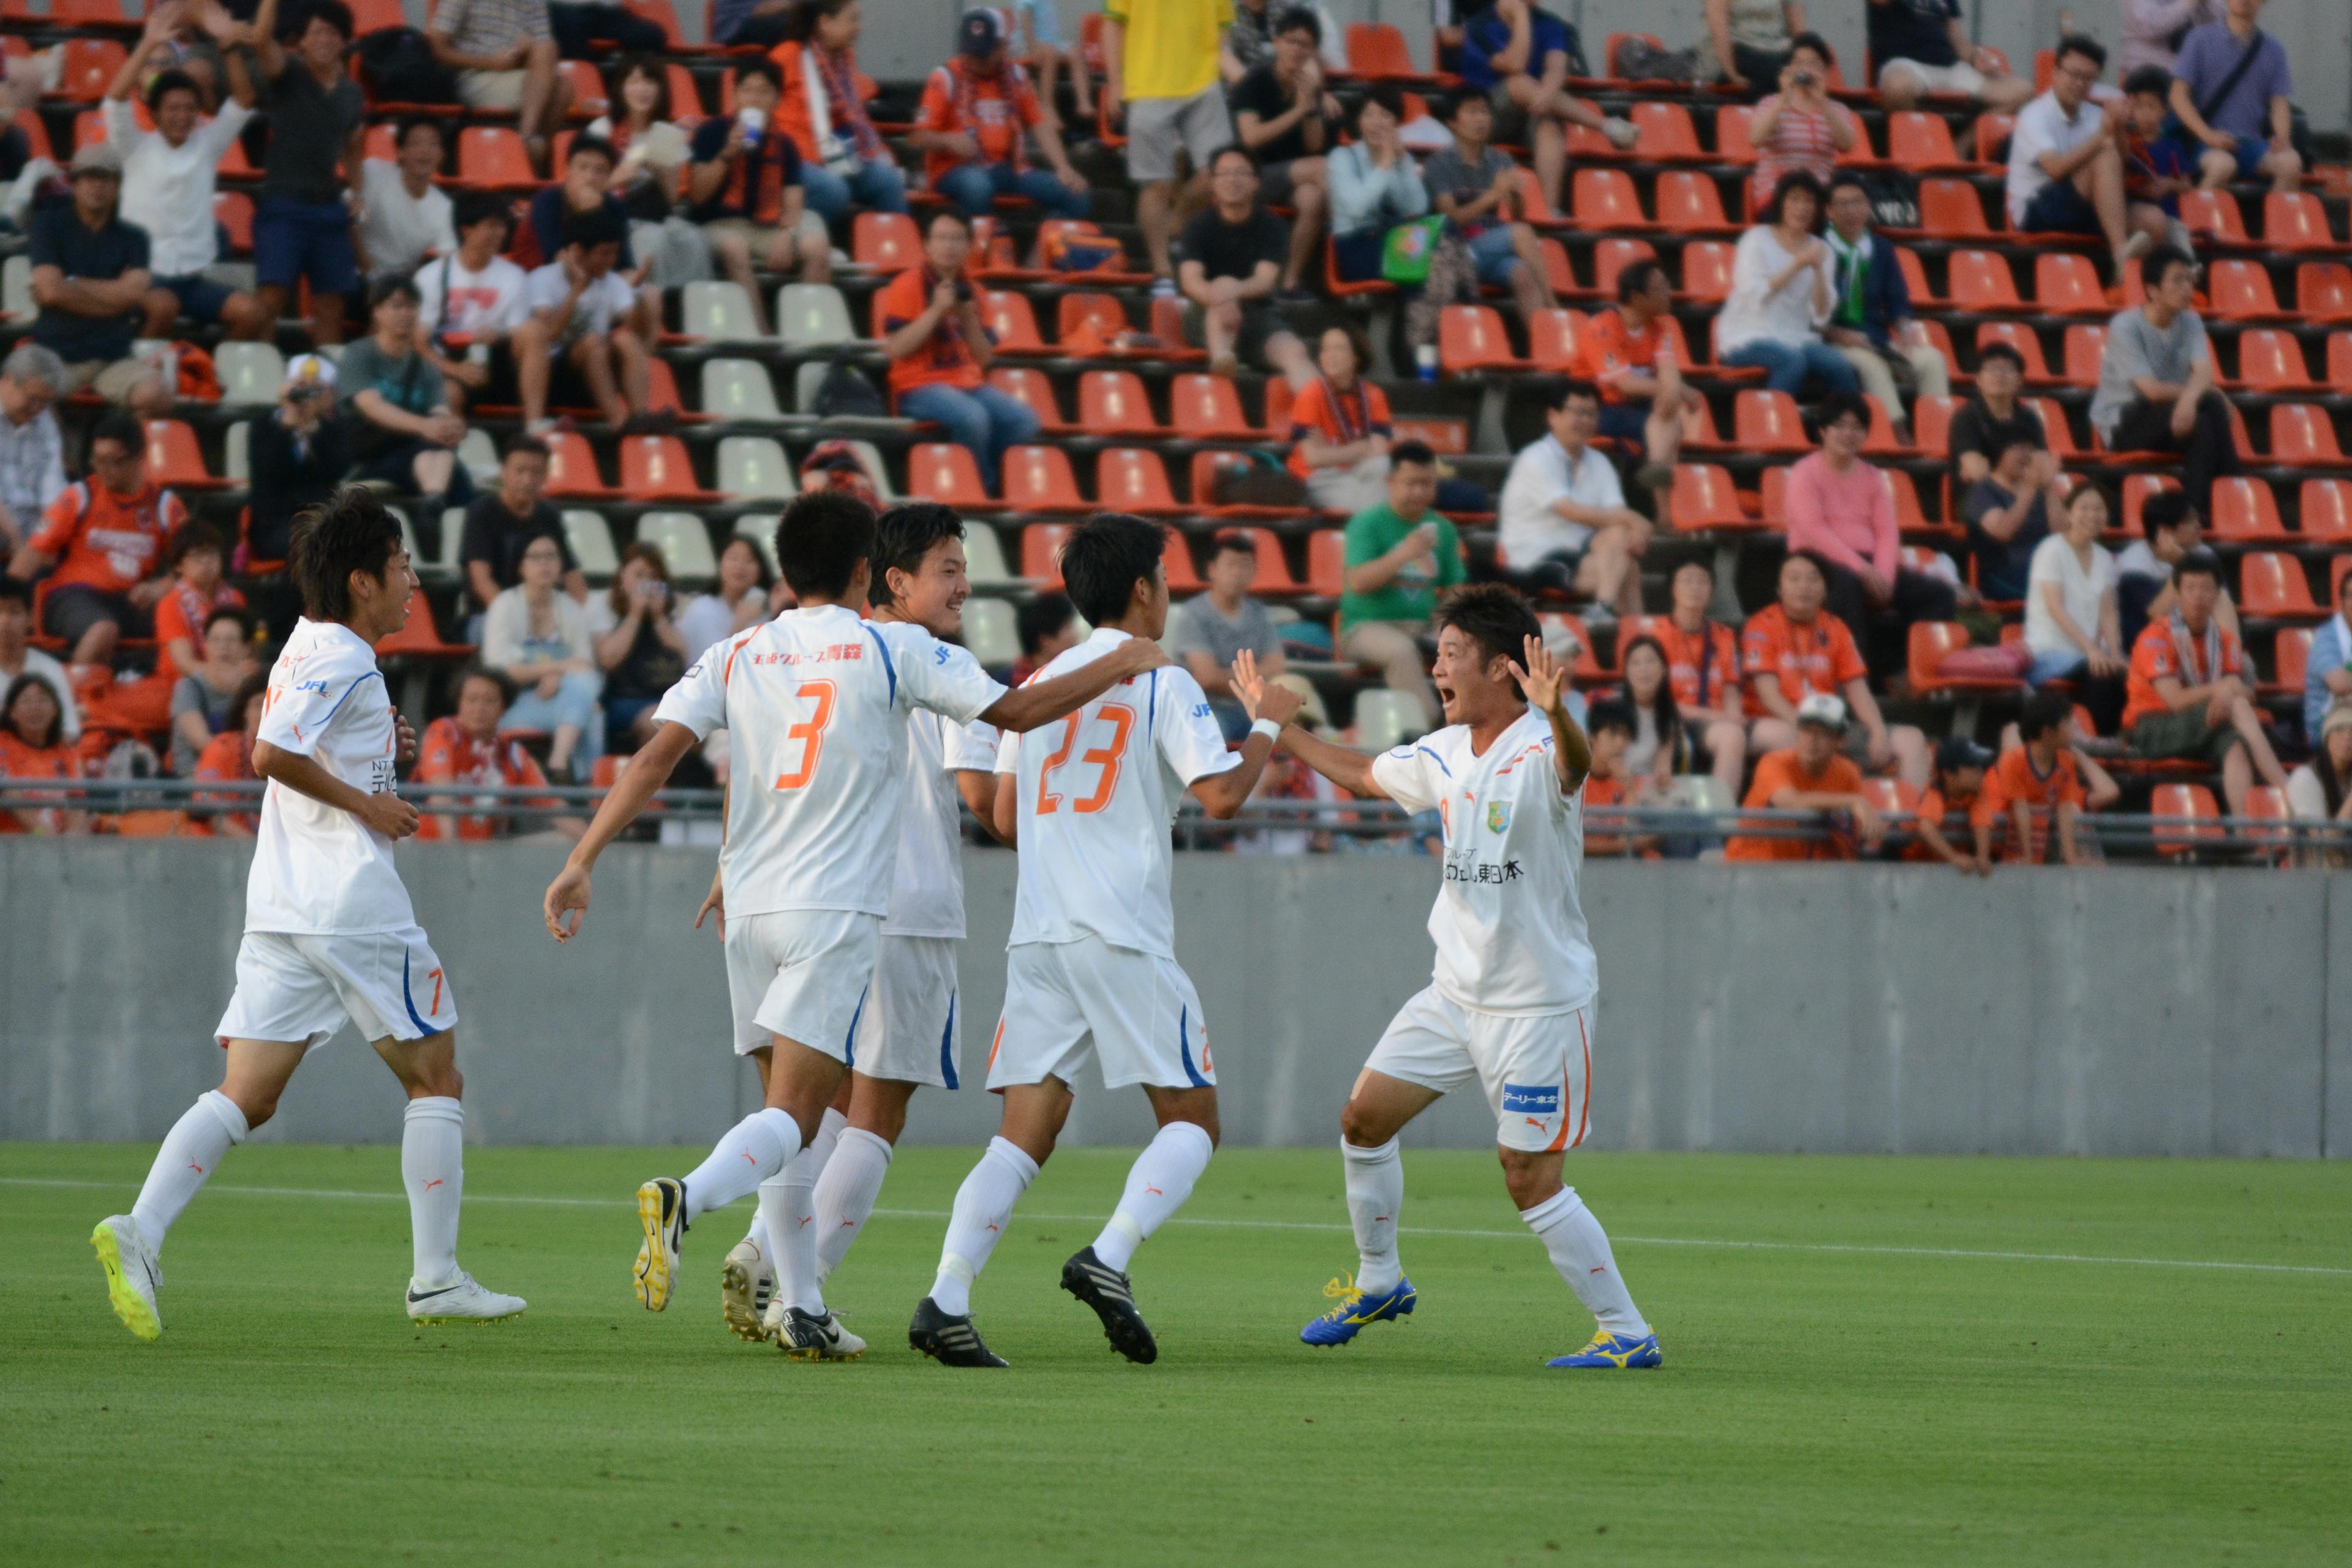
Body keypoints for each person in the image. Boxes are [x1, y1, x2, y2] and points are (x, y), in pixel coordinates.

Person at [539, 492, 1170, 1358]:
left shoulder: (740, 648)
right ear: (873, 572)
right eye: (950, 569)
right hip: (843, 908)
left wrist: (584, 858)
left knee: (796, 1115)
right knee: (817, 1119)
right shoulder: (897, 648)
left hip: (750, 906)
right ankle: (691, 1195)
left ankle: (802, 1303)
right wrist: (1124, 658)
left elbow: (658, 754)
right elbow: (1016, 719)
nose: (963, 585)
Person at [92, 489, 527, 1343]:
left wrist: (383, 750)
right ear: (363, 580)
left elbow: (308, 742)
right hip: (350, 902)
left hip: (283, 905)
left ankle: (140, 1230)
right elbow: (270, 752)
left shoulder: (306, 645)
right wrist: (369, 804)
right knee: (437, 1079)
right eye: (401, 566)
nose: (413, 582)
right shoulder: (344, 658)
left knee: (248, 1095)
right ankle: (437, 1279)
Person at [913, 511, 1292, 1368]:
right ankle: (1109, 1256)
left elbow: (1006, 818)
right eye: (1166, 577)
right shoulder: (1160, 676)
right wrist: (1267, 723)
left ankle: (947, 1297)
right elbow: (1223, 798)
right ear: (1144, 588)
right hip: (1120, 928)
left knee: (1021, 1135)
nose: (1169, 593)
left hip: (1041, 934)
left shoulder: (1041, 684)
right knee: (1193, 1120)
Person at [1265, 584, 1660, 1366]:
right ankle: (1381, 1280)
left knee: (1528, 1176)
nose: (1437, 668)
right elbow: (1363, 775)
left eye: (1451, 655)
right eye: (1438, 654)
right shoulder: (1445, 750)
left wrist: (1559, 712)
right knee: (1363, 1121)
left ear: (1503, 667)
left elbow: (1576, 766)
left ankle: (1626, 1332)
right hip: (1453, 994)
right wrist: (1281, 729)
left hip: (1537, 1006)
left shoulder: (1541, 746)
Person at [718, 502, 1011, 1343]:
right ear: (894, 579)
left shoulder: (817, 652)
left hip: (815, 897)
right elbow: (983, 801)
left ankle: (765, 1248)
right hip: (910, 905)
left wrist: (728, 865)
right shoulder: (939, 662)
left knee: (821, 1100)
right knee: (878, 1114)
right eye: (949, 569)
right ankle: (794, 1290)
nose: (964, 586)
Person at [107, 12, 268, 342]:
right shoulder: (135, 147)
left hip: (193, 278)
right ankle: (145, 366)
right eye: (172, 109)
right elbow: (115, 99)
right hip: (144, 277)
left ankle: (207, 368)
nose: (182, 116)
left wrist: (228, 46)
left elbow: (244, 100)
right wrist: (149, 43)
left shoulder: (208, 145)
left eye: (189, 109)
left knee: (251, 313)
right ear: (155, 113)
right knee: (163, 308)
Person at [1786, 394, 1956, 671]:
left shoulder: (1873, 476)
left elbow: (1887, 532)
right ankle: (1853, 677)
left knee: (1938, 594)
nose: (1849, 434)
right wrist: (1863, 570)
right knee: (1846, 586)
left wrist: (1884, 574)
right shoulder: (1804, 473)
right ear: (1823, 431)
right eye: (1840, 426)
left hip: (1868, 562)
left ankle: (1911, 672)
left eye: (1857, 428)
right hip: (1817, 559)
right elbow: (1814, 530)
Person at [876, 210, 1038, 496]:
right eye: (942, 239)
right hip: (917, 386)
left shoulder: (975, 291)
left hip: (968, 383)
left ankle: (996, 482)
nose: (949, 246)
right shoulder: (906, 284)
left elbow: (985, 359)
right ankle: (981, 490)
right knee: (973, 418)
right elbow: (897, 349)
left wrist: (968, 320)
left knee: (1023, 420)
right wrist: (937, 310)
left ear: (969, 246)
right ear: (927, 245)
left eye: (957, 239)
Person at [12, 411, 188, 667]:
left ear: (140, 457)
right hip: (73, 596)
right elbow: (32, 554)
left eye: (113, 462)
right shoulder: (79, 497)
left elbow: (192, 567)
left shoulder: (165, 507)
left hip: (132, 600)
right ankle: (75, 689)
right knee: (103, 630)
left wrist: (160, 588)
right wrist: (7, 603)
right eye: (97, 460)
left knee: (191, 618)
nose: (103, 470)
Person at [2121, 548, 2287, 815]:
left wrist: (2228, 692)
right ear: (2177, 594)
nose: (2198, 596)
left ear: (2217, 594)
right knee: (2238, 707)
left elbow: (2241, 691)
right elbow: (2175, 701)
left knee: (2236, 745)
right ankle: (2288, 791)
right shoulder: (2155, 637)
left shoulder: (2224, 639)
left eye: (2206, 589)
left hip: (2204, 722)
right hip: (2151, 726)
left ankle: (2245, 830)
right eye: (2190, 588)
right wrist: (2221, 690)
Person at [1743, 552, 1929, 786]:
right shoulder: (1761, 625)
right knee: (1793, 738)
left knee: (1912, 740)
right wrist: (1809, 731)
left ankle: (1911, 810)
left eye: (1813, 579)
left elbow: (1859, 692)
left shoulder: (1836, 627)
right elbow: (1769, 697)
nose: (1804, 586)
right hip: (1778, 722)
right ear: (1779, 589)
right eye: (1794, 579)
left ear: (1825, 590)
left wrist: (1878, 731)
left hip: (1828, 726)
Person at [249, 0, 366, 347]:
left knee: (332, 303)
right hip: (283, 203)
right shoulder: (288, 73)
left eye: (331, 33)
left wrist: (358, 193)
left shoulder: (352, 93)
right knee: (271, 297)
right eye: (315, 33)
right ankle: (259, 372)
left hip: (329, 208)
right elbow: (260, 40)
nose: (323, 40)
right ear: (301, 41)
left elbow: (353, 146)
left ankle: (328, 376)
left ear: (344, 41)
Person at [25, 145, 170, 417]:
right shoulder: (47, 226)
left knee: (156, 394)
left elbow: (134, 296)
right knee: (24, 393)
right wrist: (116, 297)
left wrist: (70, 284)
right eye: (89, 177)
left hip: (112, 358)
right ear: (74, 183)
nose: (98, 185)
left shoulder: (135, 238)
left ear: (118, 186)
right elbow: (52, 291)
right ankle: (58, 446)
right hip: (55, 356)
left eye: (107, 178)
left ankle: (121, 444)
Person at [689, 61, 831, 336]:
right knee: (735, 247)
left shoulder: (785, 143)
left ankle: (806, 332)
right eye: (747, 90)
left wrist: (787, 233)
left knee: (815, 245)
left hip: (766, 225)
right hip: (719, 224)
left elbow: (793, 196)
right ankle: (760, 331)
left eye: (764, 91)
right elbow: (698, 195)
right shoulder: (711, 132)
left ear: (777, 99)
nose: (754, 99)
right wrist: (728, 153)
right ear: (735, 96)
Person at [2089, 246, 2237, 507]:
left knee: (2204, 425)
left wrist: (2192, 398)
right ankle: (2231, 491)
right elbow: (2152, 391)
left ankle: (2196, 511)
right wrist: (2199, 394)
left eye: (2189, 279)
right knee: (2211, 405)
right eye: (2177, 280)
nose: (2187, 288)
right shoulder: (2126, 326)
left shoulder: (2190, 320)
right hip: (2124, 423)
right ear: (2152, 290)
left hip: (2172, 415)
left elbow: (2204, 371)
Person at [1459, 0, 1637, 218]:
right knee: (1519, 83)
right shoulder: (1479, 25)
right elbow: (1515, 64)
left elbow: (1556, 70)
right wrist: (1521, 15)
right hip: (1487, 115)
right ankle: (1606, 125)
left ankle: (1549, 212)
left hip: (1533, 109)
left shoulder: (1552, 24)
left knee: (1550, 126)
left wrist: (1546, 95)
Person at [2007, 35, 2165, 278]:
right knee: (2103, 154)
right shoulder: (2034, 115)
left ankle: (2122, 284)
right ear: (2056, 72)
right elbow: (2055, 169)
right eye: (2074, 75)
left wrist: (2119, 128)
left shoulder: (2094, 114)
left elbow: (2123, 164)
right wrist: (2103, 134)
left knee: (2154, 221)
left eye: (2089, 78)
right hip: (2037, 208)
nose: (2080, 84)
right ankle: (2120, 256)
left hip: (2083, 204)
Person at [1101, 0, 1235, 286]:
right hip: (1148, 85)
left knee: (1220, 173)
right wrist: (1114, 82)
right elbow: (1112, 23)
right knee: (1157, 185)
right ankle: (1162, 270)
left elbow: (1224, 24)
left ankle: (1176, 221)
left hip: (1204, 84)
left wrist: (1210, 65)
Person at [1498, 380, 1651, 627]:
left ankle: (1610, 615)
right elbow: (1568, 510)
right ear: (1553, 416)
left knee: (1623, 546)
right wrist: (1633, 520)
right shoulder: (1535, 458)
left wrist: (1632, 528)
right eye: (1578, 412)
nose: (1585, 421)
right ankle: (1631, 631)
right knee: (1627, 568)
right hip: (1536, 558)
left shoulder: (1599, 462)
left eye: (1591, 414)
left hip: (1580, 555)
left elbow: (1616, 514)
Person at [916, 8, 1090, 224]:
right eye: (970, 51)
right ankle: (982, 241)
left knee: (1076, 194)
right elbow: (919, 137)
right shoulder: (945, 77)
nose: (974, 60)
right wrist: (948, 140)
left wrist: (1063, 167)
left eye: (982, 54)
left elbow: (1039, 124)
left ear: (1002, 47)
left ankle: (1041, 245)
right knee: (978, 186)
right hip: (955, 170)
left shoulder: (1017, 76)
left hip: (1010, 168)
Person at [1339, 444, 1465, 734]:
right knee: (1401, 651)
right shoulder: (1367, 524)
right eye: (1411, 484)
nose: (1419, 492)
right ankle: (1434, 729)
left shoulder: (1443, 528)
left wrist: (1443, 621)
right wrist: (1405, 553)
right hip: (1365, 626)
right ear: (1390, 482)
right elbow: (1358, 582)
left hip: (1422, 625)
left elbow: (1455, 587)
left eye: (1427, 484)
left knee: (1469, 647)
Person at [514, 206, 665, 436]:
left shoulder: (613, 282)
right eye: (604, 253)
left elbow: (639, 336)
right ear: (577, 251)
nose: (611, 261)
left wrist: (639, 297)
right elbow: (549, 334)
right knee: (593, 343)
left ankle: (640, 416)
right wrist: (577, 289)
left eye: (614, 253)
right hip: (549, 377)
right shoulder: (542, 279)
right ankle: (619, 423)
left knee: (625, 340)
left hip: (593, 375)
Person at [1820, 174, 1949, 440]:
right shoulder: (1818, 248)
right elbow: (1807, 313)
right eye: (1842, 204)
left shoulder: (1881, 248)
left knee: (1932, 360)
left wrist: (1904, 333)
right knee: (1871, 366)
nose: (1851, 211)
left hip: (1876, 338)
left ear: (1869, 206)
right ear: (1829, 211)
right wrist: (1838, 334)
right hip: (1833, 340)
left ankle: (1938, 435)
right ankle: (1897, 432)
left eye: (1858, 203)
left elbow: (1897, 301)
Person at [337, 276, 473, 529]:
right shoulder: (358, 355)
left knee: (452, 466)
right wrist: (425, 426)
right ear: (377, 312)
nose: (405, 314)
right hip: (369, 454)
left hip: (418, 452)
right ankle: (433, 509)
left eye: (411, 306)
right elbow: (372, 407)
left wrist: (451, 427)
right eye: (397, 306)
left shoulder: (426, 367)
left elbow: (440, 413)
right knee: (439, 460)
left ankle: (433, 503)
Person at [767, 0, 910, 230]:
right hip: (794, 159)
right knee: (833, 189)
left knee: (888, 180)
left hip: (837, 156)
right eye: (852, 19)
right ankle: (805, 238)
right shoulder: (787, 56)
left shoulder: (844, 60)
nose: (859, 28)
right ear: (825, 23)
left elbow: (853, 109)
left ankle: (898, 246)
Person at [1176, 149, 1314, 384]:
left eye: (1241, 173)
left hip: (1257, 317)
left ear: (1256, 182)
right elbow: (1191, 281)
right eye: (1224, 174)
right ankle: (1222, 359)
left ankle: (1321, 407)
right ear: (1213, 182)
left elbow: (1264, 281)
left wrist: (1232, 290)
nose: (1232, 180)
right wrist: (1221, 296)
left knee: (1295, 353)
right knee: (1222, 285)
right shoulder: (1197, 227)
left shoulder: (1273, 226)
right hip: (1204, 315)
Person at [1423, 91, 1555, 326]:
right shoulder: (1438, 164)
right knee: (1521, 232)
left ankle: (1543, 342)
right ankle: (1553, 306)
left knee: (1522, 274)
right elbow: (1450, 220)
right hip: (1456, 250)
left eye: (1484, 112)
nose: (1481, 119)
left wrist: (1514, 195)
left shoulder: (1501, 159)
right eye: (1472, 112)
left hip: (1491, 248)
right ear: (1453, 123)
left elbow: (1517, 215)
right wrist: (1494, 194)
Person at [1719, 172, 1855, 399]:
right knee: (1791, 361)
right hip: (1749, 335)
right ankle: (1774, 420)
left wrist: (1818, 270)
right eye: (1794, 199)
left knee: (1839, 366)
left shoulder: (1822, 250)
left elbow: (1821, 316)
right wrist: (1797, 264)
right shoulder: (1756, 239)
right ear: (1780, 203)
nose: (1801, 208)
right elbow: (1753, 296)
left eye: (1809, 201)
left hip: (1797, 337)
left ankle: (1843, 419)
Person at [1229, 7, 1335, 295]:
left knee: (1312, 198)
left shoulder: (1308, 87)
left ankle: (1289, 281)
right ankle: (1346, 230)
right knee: (1323, 168)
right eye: (1291, 41)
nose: (1297, 50)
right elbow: (1250, 138)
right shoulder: (1255, 82)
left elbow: (1314, 144)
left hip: (1292, 176)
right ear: (1276, 42)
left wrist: (1310, 106)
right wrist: (1298, 111)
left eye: (1305, 45)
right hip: (1250, 173)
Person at [1577, 260, 1702, 497]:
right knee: (1670, 424)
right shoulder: (1601, 328)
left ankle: (1657, 469)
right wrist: (1681, 391)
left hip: (1634, 407)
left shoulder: (1659, 329)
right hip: (1596, 407)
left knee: (1669, 413)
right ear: (1636, 297)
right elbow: (1625, 385)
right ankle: (1661, 494)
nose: (1669, 292)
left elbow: (1669, 375)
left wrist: (1675, 390)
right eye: (1660, 288)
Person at [414, 666, 581, 842]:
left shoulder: (513, 754)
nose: (479, 708)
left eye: (489, 701)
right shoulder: (444, 732)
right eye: (472, 700)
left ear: (503, 708)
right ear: (459, 704)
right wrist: (452, 850)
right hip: (428, 847)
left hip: (486, 851)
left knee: (562, 841)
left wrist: (592, 845)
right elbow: (442, 792)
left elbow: (553, 806)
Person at [482, 533, 601, 777]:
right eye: (536, 557)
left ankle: (560, 762)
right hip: (513, 706)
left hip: (562, 700)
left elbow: (585, 666)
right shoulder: (505, 605)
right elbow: (499, 671)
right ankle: (586, 784)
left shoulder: (570, 608)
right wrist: (554, 670)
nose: (544, 564)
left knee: (589, 697)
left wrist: (558, 676)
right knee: (590, 709)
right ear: (521, 566)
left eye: (551, 557)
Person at [1724, 690, 1883, 859]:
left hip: (1806, 867)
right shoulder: (1774, 762)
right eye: (1806, 730)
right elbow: (1790, 802)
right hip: (1750, 866)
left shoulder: (1848, 772)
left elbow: (1857, 832)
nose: (1813, 740)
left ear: (1840, 740)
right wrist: (1852, 801)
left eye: (1823, 733)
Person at [413, 195, 530, 417]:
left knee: (533, 331)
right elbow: (418, 342)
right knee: (448, 393)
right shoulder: (431, 276)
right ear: (467, 230)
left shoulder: (515, 276)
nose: (500, 233)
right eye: (492, 226)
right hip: (451, 359)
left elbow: (521, 332)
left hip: (499, 360)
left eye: (503, 226)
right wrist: (456, 370)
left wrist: (499, 336)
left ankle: (534, 423)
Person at [2167, 0, 2300, 195]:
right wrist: (2208, 135)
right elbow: (2177, 95)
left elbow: (2279, 103)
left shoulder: (2274, 49)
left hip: (2252, 145)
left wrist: (2282, 138)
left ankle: (2275, 216)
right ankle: (2200, 213)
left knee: (2290, 162)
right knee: (2223, 166)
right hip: (2205, 144)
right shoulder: (2199, 39)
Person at [428, 0, 570, 178]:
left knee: (561, 80)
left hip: (515, 72)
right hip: (473, 75)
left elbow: (543, 51)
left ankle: (528, 142)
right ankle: (530, 149)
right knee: (557, 86)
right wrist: (491, 63)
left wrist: (523, 51)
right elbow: (437, 48)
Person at [2024, 483, 2125, 732]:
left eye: (2099, 509)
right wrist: (2091, 649)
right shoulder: (2051, 550)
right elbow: (2055, 608)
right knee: (2101, 674)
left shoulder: (2105, 558)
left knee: (2125, 671)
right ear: (2069, 514)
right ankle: (2100, 741)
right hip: (2049, 652)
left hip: (2088, 654)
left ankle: (2121, 741)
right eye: (2085, 508)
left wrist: (2115, 653)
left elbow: (2108, 613)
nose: (2092, 515)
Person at [1172, 529, 1287, 740]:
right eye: (1231, 565)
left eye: (1245, 566)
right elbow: (1207, 678)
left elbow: (1277, 667)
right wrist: (1257, 678)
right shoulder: (1194, 614)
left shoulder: (1259, 613)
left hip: (1253, 708)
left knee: (1290, 729)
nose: (1237, 573)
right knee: (1211, 734)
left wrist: (1226, 677)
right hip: (1207, 707)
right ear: (1212, 570)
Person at [1646, 560, 1746, 799]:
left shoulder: (1724, 635)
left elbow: (1731, 688)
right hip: (1672, 717)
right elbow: (1653, 698)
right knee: (1732, 736)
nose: (1695, 588)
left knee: (1784, 734)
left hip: (1715, 720)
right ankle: (1720, 813)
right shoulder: (1655, 634)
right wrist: (1721, 718)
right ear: (1673, 589)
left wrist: (1734, 716)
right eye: (1687, 581)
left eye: (1702, 582)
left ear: (1712, 590)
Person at [246, 353, 350, 577]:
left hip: (320, 521)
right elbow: (267, 471)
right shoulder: (264, 427)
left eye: (314, 390)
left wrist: (315, 433)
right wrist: (286, 427)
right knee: (312, 549)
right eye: (300, 387)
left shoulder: (333, 430)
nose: (304, 396)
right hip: (275, 524)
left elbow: (338, 469)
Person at [589, 56, 698, 268]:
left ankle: (688, 289)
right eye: (634, 82)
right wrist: (619, 178)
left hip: (655, 214)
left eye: (649, 82)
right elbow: (583, 190)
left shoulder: (670, 134)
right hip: (611, 213)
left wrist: (660, 172)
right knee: (653, 239)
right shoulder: (601, 130)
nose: (642, 90)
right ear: (621, 89)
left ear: (661, 90)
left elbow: (672, 200)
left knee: (692, 239)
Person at [587, 542, 688, 753]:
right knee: (662, 722)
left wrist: (659, 617)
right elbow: (608, 659)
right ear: (623, 576)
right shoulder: (604, 605)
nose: (646, 583)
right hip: (626, 698)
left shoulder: (670, 608)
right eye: (639, 575)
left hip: (666, 694)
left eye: (653, 577)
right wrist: (635, 614)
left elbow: (682, 655)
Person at [459, 435, 581, 609]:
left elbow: (570, 572)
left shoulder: (549, 514)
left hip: (542, 614)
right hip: (488, 614)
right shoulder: (482, 512)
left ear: (546, 475)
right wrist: (514, 617)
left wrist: (582, 614)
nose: (528, 480)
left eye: (536, 472)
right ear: (503, 472)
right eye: (520, 471)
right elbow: (481, 580)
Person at [1325, 86, 1427, 286]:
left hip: (1395, 240)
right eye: (1368, 115)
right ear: (1359, 121)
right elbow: (1356, 209)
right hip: (1357, 248)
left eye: (1385, 115)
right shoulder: (1342, 157)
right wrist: (1385, 164)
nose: (1376, 123)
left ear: (1397, 123)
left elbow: (1418, 208)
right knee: (1429, 259)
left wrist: (1402, 164)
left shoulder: (1401, 158)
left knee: (1445, 233)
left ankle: (1449, 305)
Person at [1978, 692, 2095, 866]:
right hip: (1998, 833)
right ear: (2048, 732)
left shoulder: (2066, 761)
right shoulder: (2014, 761)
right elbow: (2020, 808)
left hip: (2035, 831)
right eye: (2068, 723)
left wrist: (2071, 857)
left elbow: (2064, 808)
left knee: (2074, 812)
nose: (2074, 729)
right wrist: (2028, 856)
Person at [1745, 35, 1855, 217]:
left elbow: (1847, 145)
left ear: (1825, 70)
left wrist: (1822, 102)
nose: (1806, 69)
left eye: (1814, 63)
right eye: (1799, 63)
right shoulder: (1770, 103)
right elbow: (1755, 140)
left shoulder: (1837, 110)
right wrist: (1784, 98)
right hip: (1777, 193)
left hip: (1819, 195)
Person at [1287, 324, 1393, 514]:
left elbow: (1379, 451)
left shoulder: (1374, 394)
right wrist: (1361, 448)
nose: (1331, 356)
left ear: (1356, 356)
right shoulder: (1311, 394)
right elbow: (1313, 458)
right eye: (1326, 349)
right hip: (1320, 476)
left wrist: (1332, 453)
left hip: (1359, 470)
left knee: (1382, 466)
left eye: (1339, 348)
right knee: (1365, 499)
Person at [2115, 489, 2237, 650]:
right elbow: (2155, 615)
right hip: (2149, 646)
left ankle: (2233, 654)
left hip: (2192, 639)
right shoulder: (2134, 563)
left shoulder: (2204, 553)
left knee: (2220, 596)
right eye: (2190, 521)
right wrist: (2181, 564)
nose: (2199, 526)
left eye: (2198, 519)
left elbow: (2217, 596)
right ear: (2165, 530)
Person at [1867, 0, 2034, 114]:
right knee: (1898, 88)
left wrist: (1977, 57)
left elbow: (1957, 39)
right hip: (1905, 65)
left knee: (2023, 91)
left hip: (1948, 66)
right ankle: (1919, 144)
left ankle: (1962, 145)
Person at [1961, 432, 2060, 604]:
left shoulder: (2041, 491)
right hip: (2003, 573)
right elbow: (2003, 532)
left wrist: (2049, 487)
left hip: (2045, 568)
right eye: (2017, 448)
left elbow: (2064, 534)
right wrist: (2029, 490)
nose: (2026, 455)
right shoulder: (1983, 492)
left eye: (2030, 448)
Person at [356, 119, 458, 287]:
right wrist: (370, 273)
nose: (425, 151)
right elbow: (349, 222)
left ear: (442, 155)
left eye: (433, 144)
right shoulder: (373, 173)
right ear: (401, 152)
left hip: (402, 286)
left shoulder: (444, 206)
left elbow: (447, 256)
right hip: (358, 273)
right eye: (416, 143)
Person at [2117, 66, 2198, 253]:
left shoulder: (2173, 146)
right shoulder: (2127, 143)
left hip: (2169, 217)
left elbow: (2187, 184)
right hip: (2136, 213)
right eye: (2139, 106)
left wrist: (2168, 184)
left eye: (2152, 107)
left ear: (2164, 111)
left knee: (2180, 238)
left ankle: (2188, 265)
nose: (2145, 113)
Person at [169, 608, 256, 776]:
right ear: (205, 645)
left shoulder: (256, 688)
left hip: (246, 775)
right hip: (195, 777)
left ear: (247, 647)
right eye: (215, 640)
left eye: (231, 640)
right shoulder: (189, 687)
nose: (223, 647)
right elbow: (201, 740)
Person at [154, 522, 246, 682]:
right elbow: (184, 663)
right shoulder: (170, 604)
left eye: (212, 553)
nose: (206, 561)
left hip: (232, 678)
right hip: (184, 682)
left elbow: (247, 649)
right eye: (197, 556)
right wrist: (225, 677)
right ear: (179, 565)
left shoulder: (235, 598)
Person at [0, 344, 69, 556]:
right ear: (7, 380)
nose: (37, 409)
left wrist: (48, 540)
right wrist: (16, 541)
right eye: (31, 399)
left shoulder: (45, 420)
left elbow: (52, 485)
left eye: (44, 402)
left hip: (33, 531)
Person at [1946, 342, 2044, 490]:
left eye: (2007, 369)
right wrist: (2015, 472)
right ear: (1978, 380)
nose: (1999, 375)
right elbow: (1976, 472)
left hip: (2022, 494)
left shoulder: (2029, 419)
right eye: (1991, 369)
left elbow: (2043, 470)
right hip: (1979, 498)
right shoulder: (1966, 418)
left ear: (2019, 380)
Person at [0, 671, 86, 835]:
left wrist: (70, 844)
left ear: (55, 710)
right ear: (12, 713)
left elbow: (78, 804)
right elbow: (12, 799)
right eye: (26, 701)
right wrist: (46, 840)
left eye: (43, 700)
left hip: (62, 845)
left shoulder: (67, 750)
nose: (35, 708)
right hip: (14, 844)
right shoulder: (3, 746)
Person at [187, 669, 266, 837]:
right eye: (259, 705)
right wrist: (254, 847)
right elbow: (208, 811)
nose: (266, 713)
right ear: (245, 711)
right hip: (222, 847)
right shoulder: (222, 747)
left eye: (273, 704)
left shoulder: (298, 753)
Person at [0, 584, 78, 744]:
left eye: (14, 612)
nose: (5, 621)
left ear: (30, 618)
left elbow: (69, 729)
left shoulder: (50, 668)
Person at [674, 536, 771, 663]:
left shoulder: (765, 610)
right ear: (720, 564)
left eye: (749, 560)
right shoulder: (703, 609)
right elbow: (715, 664)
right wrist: (740, 623)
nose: (740, 566)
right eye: (733, 558)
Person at [1909, 732, 1992, 873]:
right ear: (1949, 774)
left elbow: (1982, 824)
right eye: (1972, 767)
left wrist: (1983, 856)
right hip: (1915, 867)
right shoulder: (1935, 790)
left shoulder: (1977, 792)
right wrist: (1954, 858)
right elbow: (1926, 828)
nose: (1980, 773)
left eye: (1981, 767)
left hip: (1950, 869)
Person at [1612, 637, 1684, 792]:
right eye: (1636, 663)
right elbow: (1609, 763)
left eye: (1651, 661)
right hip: (1615, 789)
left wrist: (1661, 779)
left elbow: (1663, 767)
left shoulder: (1668, 714)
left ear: (1664, 669)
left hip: (1647, 790)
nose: (1643, 669)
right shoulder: (1613, 710)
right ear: (1626, 672)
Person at [2285, 705, 2352, 865]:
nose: (2347, 738)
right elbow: (2323, 841)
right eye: (2339, 730)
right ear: (2327, 738)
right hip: (2315, 874)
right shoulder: (2305, 778)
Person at [1016, 0, 1094, 126]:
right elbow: (1025, 18)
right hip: (1028, 43)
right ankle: (1046, 106)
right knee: (1051, 53)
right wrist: (1032, 47)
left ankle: (1083, 101)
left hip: (1052, 44)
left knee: (1076, 52)